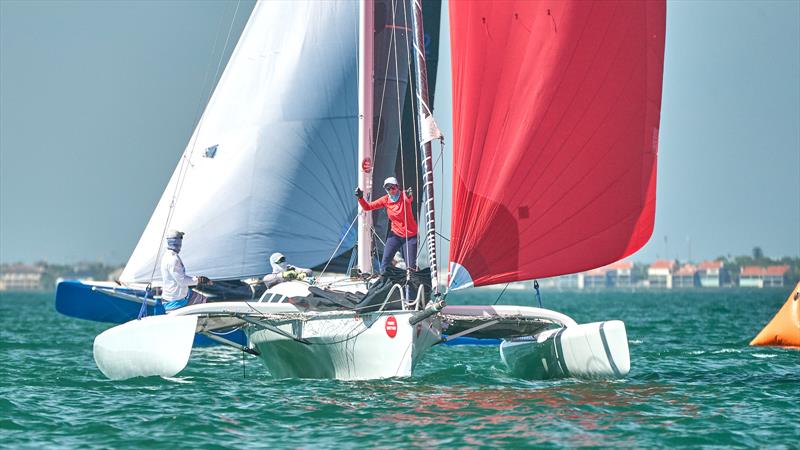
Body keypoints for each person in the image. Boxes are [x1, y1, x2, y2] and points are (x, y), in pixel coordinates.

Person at [354, 176, 418, 274]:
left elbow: (409, 199)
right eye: (388, 188)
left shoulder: (404, 195)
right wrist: (360, 197)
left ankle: (411, 282)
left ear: (397, 187)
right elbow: (367, 207)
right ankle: (384, 281)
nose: (391, 190)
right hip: (395, 235)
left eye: (393, 187)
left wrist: (409, 195)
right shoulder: (385, 200)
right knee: (384, 264)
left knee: (410, 267)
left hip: (410, 236)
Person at [159, 229, 211, 311]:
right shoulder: (173, 259)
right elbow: (182, 281)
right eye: (181, 239)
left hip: (183, 295)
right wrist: (199, 280)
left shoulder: (168, 255)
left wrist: (196, 280)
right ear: (178, 241)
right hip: (176, 302)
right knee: (208, 306)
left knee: (207, 302)